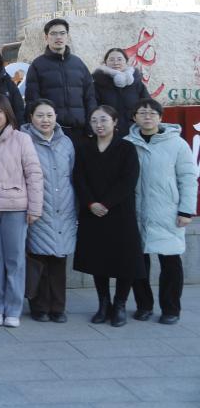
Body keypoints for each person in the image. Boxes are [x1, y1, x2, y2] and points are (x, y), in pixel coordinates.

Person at [0, 94, 43, 328]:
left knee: (15, 260)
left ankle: (13, 309)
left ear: (7, 113)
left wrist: (35, 207)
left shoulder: (22, 139)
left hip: (15, 208)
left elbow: (34, 174)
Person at [126, 98, 197, 325]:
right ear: (134, 117)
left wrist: (186, 210)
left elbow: (187, 178)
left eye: (152, 113)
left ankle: (171, 309)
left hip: (167, 212)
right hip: (135, 213)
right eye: (142, 112)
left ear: (160, 117)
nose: (147, 116)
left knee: (171, 264)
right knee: (139, 264)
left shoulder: (177, 144)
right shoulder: (127, 143)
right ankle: (144, 306)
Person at [73, 106, 144, 327]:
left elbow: (128, 180)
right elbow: (79, 179)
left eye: (103, 120)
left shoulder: (126, 148)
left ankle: (120, 304)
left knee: (125, 260)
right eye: (94, 121)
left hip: (120, 212)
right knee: (97, 260)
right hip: (92, 212)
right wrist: (91, 203)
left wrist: (106, 203)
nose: (99, 124)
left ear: (115, 122)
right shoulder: (84, 148)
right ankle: (103, 304)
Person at [22, 99, 77, 323]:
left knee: (58, 261)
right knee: (38, 259)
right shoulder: (24, 141)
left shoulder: (66, 143)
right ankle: (39, 306)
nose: (45, 120)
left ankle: (58, 307)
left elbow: (73, 174)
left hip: (63, 207)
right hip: (38, 208)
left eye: (49, 115)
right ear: (31, 118)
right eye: (40, 115)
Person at [23, 19, 96, 137]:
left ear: (67, 36)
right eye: (53, 34)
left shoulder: (78, 63)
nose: (58, 37)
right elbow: (32, 101)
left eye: (62, 33)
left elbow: (90, 97)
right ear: (46, 37)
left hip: (80, 131)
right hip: (51, 133)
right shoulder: (37, 65)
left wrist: (91, 125)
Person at [92, 48, 150, 138]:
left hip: (135, 132)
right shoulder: (97, 84)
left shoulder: (136, 83)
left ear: (126, 62)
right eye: (111, 59)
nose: (116, 63)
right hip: (108, 133)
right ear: (105, 62)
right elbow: (93, 108)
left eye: (119, 59)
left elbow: (147, 104)